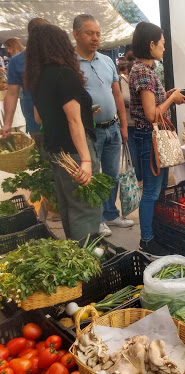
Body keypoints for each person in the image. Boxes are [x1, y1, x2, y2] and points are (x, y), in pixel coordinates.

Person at [25, 24, 101, 240]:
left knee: (69, 204)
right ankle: (88, 263)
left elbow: (40, 117)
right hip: (75, 152)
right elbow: (73, 119)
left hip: (55, 150)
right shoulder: (64, 74)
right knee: (86, 207)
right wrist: (86, 160)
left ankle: (76, 258)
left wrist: (85, 113)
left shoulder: (38, 78)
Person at [129, 21, 185, 255]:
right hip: (148, 138)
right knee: (152, 192)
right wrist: (171, 101)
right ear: (151, 44)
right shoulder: (143, 72)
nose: (164, 48)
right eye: (162, 44)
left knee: (160, 188)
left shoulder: (144, 70)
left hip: (149, 137)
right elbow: (152, 114)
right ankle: (147, 239)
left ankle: (156, 232)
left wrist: (167, 95)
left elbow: (152, 103)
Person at [73, 14, 133, 236]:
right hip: (90, 132)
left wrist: (124, 126)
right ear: (76, 34)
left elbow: (117, 96)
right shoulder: (70, 64)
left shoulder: (107, 61)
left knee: (112, 175)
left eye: (98, 33)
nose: (95, 38)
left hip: (113, 128)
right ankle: (97, 219)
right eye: (90, 33)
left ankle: (111, 214)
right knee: (95, 177)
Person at [0, 18, 49, 149]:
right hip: (36, 124)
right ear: (31, 36)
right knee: (46, 162)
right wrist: (7, 124)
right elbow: (11, 94)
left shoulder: (58, 56)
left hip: (63, 120)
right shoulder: (17, 61)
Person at [118, 60, 141, 182]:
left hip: (132, 121)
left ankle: (139, 177)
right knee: (133, 150)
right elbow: (124, 99)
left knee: (134, 150)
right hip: (130, 122)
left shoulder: (126, 81)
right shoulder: (122, 81)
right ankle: (138, 176)